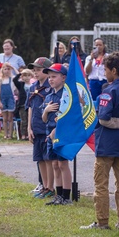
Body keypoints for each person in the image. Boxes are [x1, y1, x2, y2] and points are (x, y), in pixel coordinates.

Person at [82, 52, 119, 230]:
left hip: (106, 145)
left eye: (105, 70)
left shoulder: (108, 91)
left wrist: (118, 121)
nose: (104, 73)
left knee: (101, 184)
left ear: (113, 70)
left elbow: (103, 119)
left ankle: (102, 221)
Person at [41, 63, 73, 206]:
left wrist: (56, 130)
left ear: (63, 77)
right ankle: (58, 195)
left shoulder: (67, 96)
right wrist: (46, 110)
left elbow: (69, 117)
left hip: (62, 133)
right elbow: (44, 118)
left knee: (62, 164)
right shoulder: (49, 96)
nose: (50, 79)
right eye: (49, 77)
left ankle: (66, 196)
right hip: (50, 133)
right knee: (54, 164)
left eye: (54, 76)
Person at [26, 57, 54, 198]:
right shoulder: (32, 87)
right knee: (39, 159)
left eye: (39, 70)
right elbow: (30, 107)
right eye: (34, 70)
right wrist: (29, 128)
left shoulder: (51, 88)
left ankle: (50, 186)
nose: (35, 73)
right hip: (36, 127)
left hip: (47, 128)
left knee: (48, 159)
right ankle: (43, 185)